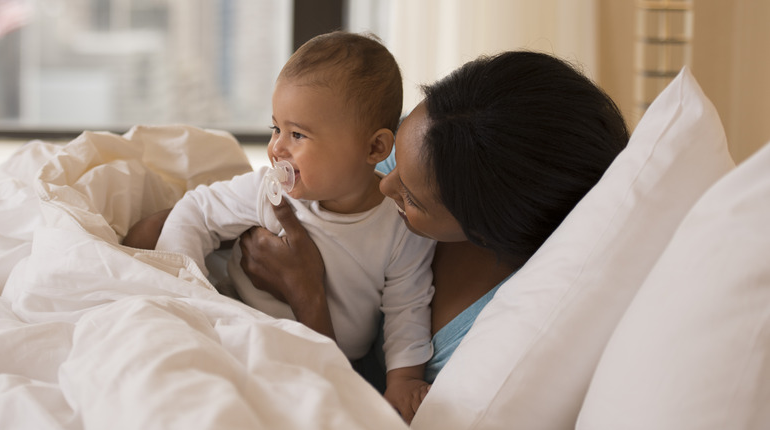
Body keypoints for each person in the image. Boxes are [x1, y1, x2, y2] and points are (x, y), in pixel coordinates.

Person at [235, 50, 630, 423]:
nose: (384, 184)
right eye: (394, 157)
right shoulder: (425, 145)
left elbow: (356, 416)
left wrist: (307, 296)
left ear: (479, 231)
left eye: (410, 197)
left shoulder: (488, 339)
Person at [125, 31, 436, 417]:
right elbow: (196, 211)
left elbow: (407, 308)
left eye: (297, 134)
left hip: (322, 354)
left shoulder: (399, 226)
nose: (276, 148)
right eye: (276, 129)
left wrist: (403, 380)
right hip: (237, 319)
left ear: (374, 148)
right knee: (153, 229)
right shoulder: (270, 190)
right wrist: (190, 296)